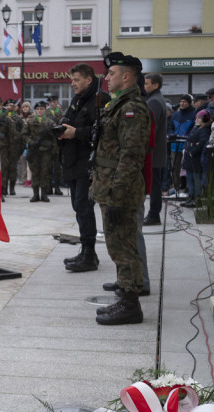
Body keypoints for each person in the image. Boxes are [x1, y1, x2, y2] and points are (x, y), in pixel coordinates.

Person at [90, 52, 150, 326]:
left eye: (111, 73)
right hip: (109, 186)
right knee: (117, 245)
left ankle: (130, 306)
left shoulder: (132, 109)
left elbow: (131, 155)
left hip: (120, 191)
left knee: (124, 247)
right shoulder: (118, 104)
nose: (107, 77)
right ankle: (125, 298)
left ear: (126, 77)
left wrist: (117, 193)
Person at [59, 63, 110, 272]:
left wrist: (76, 133)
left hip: (88, 163)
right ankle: (86, 251)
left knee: (84, 207)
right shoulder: (78, 99)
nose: (73, 84)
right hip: (73, 162)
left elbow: (105, 131)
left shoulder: (100, 100)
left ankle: (89, 254)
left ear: (89, 79)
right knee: (79, 208)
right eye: (71, 80)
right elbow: (71, 120)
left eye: (76, 80)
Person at [142, 73, 168, 226]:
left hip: (154, 153)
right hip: (156, 151)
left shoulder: (154, 102)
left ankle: (153, 215)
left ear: (156, 85)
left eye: (147, 84)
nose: (144, 86)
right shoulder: (155, 99)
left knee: (154, 185)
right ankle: (153, 214)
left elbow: (150, 129)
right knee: (154, 184)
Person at [23, 101, 56, 202]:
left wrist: (54, 150)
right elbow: (24, 134)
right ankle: (35, 194)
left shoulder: (49, 122)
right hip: (34, 151)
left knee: (45, 172)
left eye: (41, 109)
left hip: (46, 151)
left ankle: (44, 194)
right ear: (35, 110)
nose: (39, 111)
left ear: (45, 110)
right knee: (35, 172)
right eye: (37, 109)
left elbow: (54, 138)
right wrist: (31, 142)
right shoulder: (30, 121)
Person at [182, 110, 213, 208]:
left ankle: (196, 199)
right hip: (190, 158)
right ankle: (190, 197)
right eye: (196, 118)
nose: (196, 120)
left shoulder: (204, 130)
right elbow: (189, 140)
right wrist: (187, 147)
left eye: (199, 118)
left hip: (195, 159)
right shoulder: (196, 127)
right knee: (190, 179)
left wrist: (192, 150)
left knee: (196, 179)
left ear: (204, 119)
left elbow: (202, 143)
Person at [169, 94, 196, 195]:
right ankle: (176, 186)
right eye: (181, 101)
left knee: (187, 168)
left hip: (186, 146)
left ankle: (188, 188)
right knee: (174, 167)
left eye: (184, 101)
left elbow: (194, 128)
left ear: (189, 103)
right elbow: (170, 127)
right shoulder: (175, 114)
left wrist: (187, 137)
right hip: (174, 145)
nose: (182, 103)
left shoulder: (194, 114)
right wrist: (172, 134)